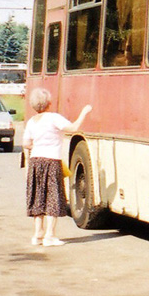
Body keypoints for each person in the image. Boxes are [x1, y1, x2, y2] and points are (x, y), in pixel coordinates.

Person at [23, 88, 91, 247]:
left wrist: (37, 145)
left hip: (35, 161)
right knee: (53, 196)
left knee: (38, 197)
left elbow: (26, 143)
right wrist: (84, 112)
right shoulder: (54, 118)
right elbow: (73, 128)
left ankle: (37, 234)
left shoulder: (32, 122)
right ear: (49, 103)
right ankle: (50, 235)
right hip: (52, 160)